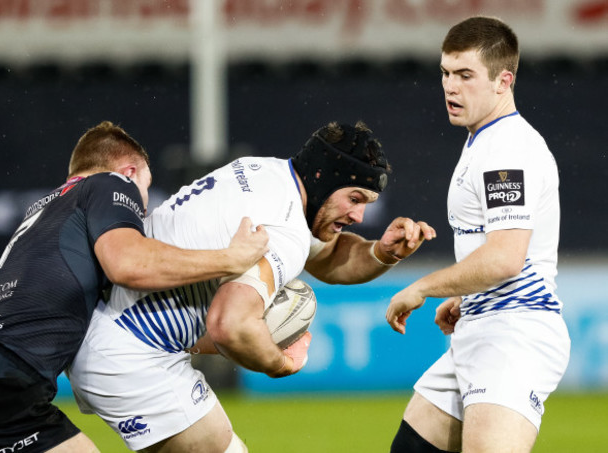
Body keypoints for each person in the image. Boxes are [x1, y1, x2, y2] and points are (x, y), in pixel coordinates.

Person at [67, 120, 436, 452]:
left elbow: (326, 256)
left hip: (101, 328)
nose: (359, 216)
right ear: (324, 177)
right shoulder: (285, 231)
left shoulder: (265, 175)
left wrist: (382, 252)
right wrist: (280, 363)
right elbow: (230, 325)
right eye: (354, 199)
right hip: (132, 355)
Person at [0, 121, 269, 452]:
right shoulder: (109, 184)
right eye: (145, 188)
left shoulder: (49, 210)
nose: (143, 207)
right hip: (1, 381)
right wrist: (232, 259)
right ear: (130, 171)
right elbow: (130, 264)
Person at [385, 16, 571, 453]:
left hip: (514, 336)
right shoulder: (485, 140)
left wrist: (423, 287)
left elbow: (506, 258)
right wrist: (469, 293)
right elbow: (495, 252)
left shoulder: (508, 149)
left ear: (504, 80)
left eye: (466, 75)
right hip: (483, 322)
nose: (451, 87)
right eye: (446, 73)